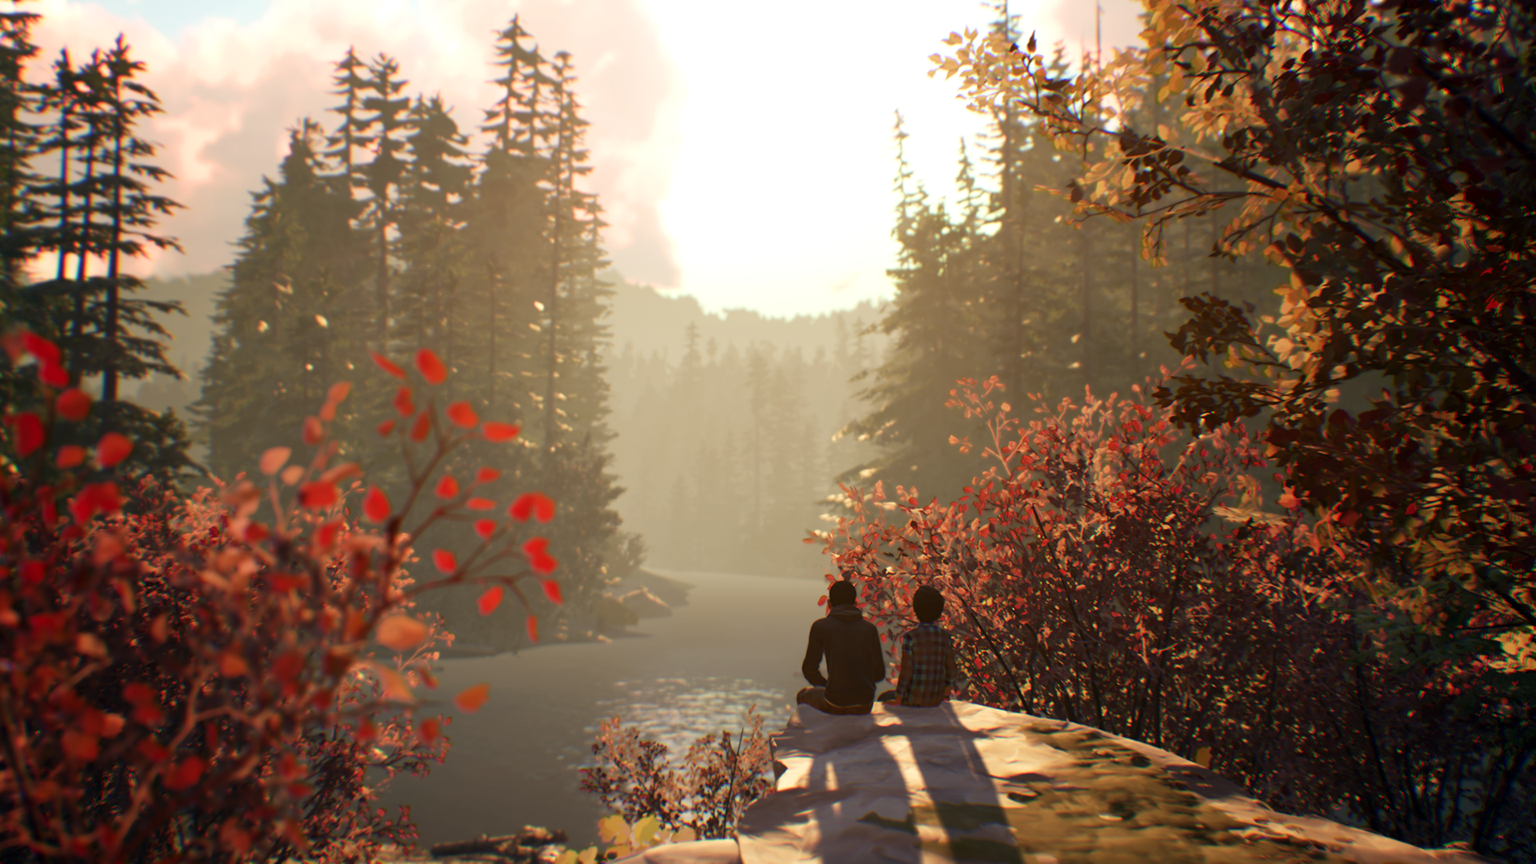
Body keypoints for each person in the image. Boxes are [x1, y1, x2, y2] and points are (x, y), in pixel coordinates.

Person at [797, 579, 885, 715]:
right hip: (865, 703)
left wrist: (828, 685)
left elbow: (809, 669)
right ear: (855, 604)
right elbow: (879, 673)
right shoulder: (869, 629)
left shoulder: (820, 627)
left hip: (835, 702)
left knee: (802, 694)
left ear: (829, 604)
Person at [887, 584, 959, 707]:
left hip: (914, 700)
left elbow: (906, 672)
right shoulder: (945, 637)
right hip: (936, 699)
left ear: (915, 609)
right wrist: (945, 695)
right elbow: (951, 670)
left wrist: (898, 698)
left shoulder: (911, 637)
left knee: (885, 697)